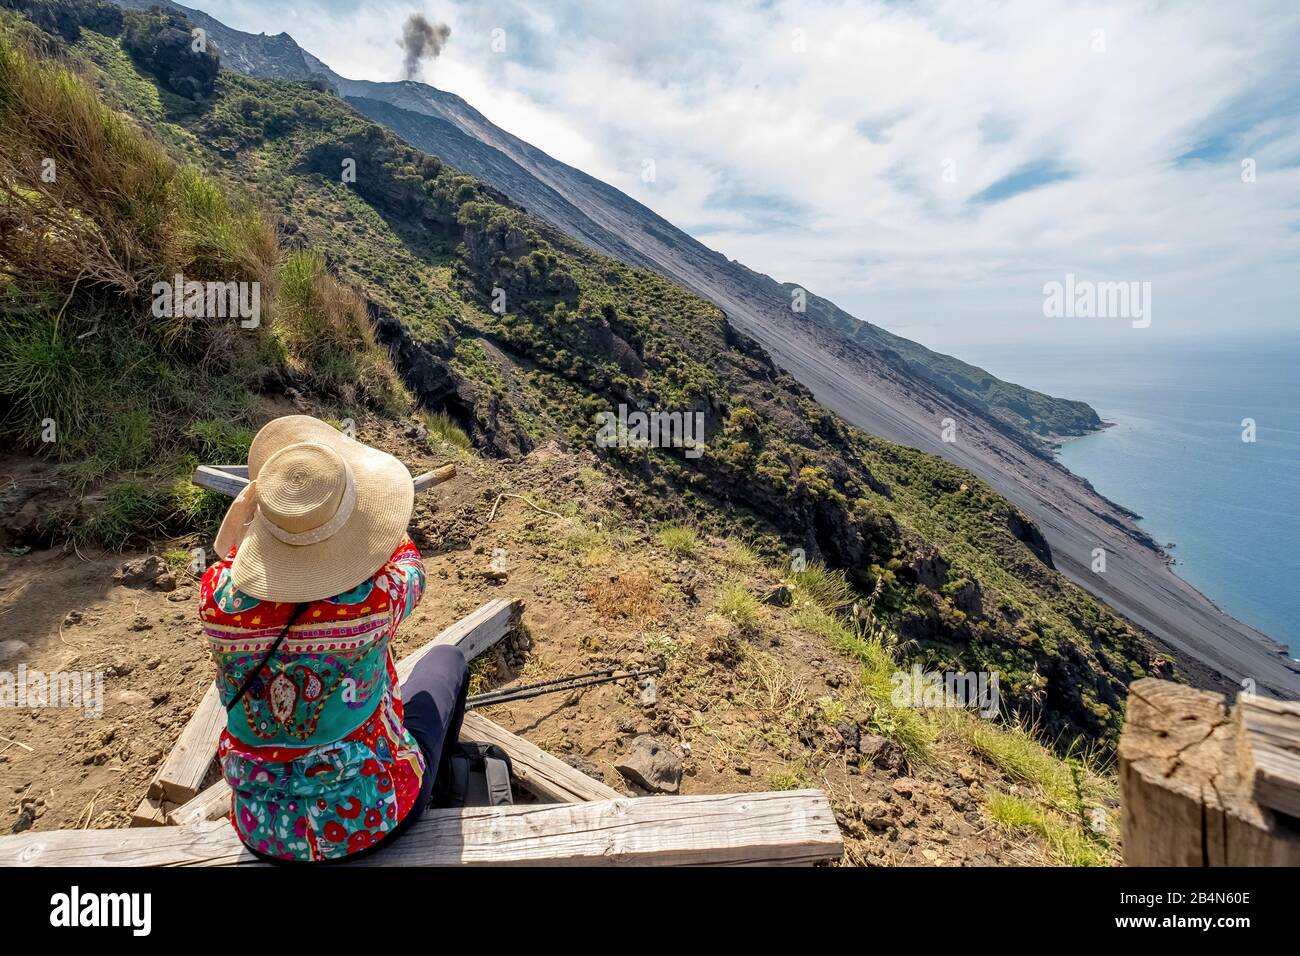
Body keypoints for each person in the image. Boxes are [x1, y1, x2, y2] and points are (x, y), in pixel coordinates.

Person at [198, 415, 467, 862]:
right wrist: (368, 525)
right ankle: (437, 790)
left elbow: (226, 553)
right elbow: (408, 561)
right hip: (373, 819)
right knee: (447, 661)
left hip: (263, 834)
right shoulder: (376, 600)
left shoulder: (216, 600)